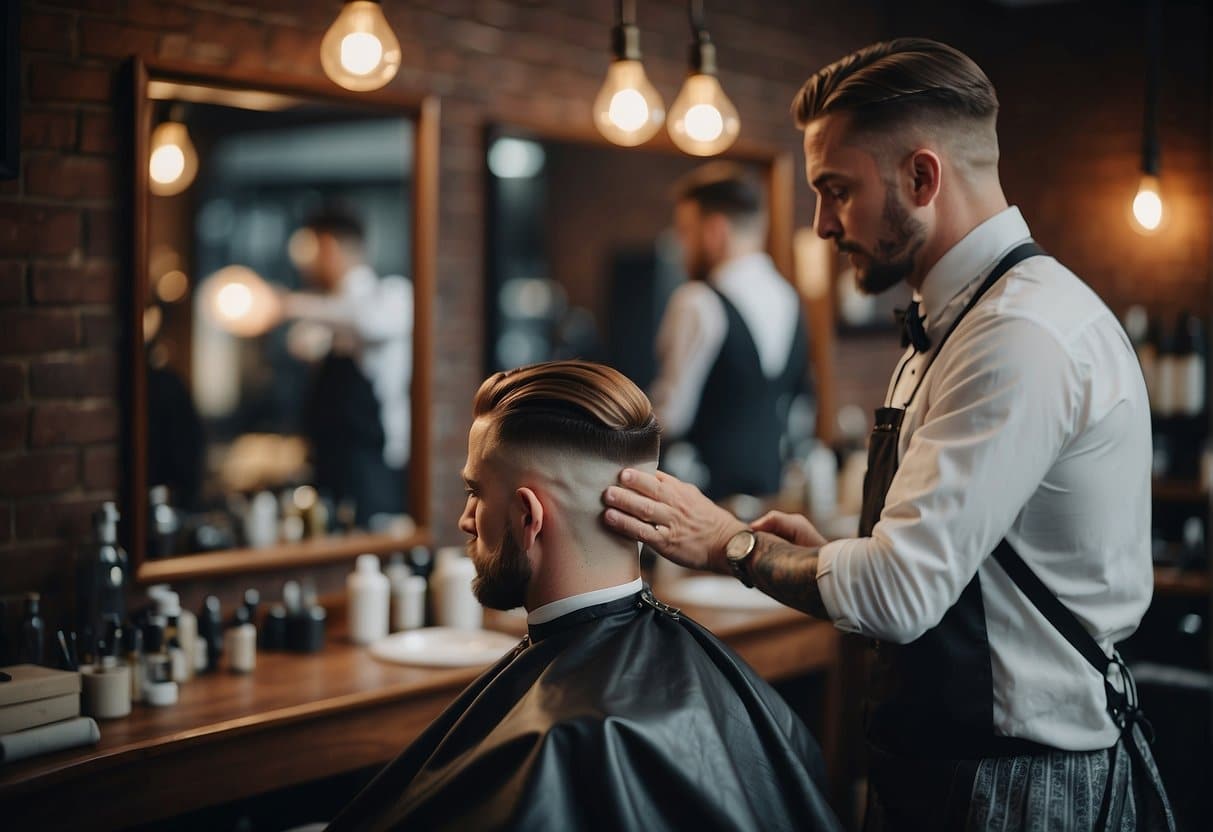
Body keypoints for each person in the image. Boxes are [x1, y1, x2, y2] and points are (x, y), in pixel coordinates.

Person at [602, 38, 1174, 831]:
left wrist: (732, 546)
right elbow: (939, 563)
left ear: (921, 177)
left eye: (835, 190)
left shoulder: (1019, 333)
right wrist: (823, 549)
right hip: (944, 761)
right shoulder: (953, 323)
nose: (820, 224)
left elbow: (900, 595)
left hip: (1017, 788)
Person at [327, 360, 842, 832]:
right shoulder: (720, 676)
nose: (465, 520)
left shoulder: (563, 735)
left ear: (529, 518)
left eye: (475, 493)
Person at [650, 163, 809, 500]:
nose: (680, 246)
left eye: (685, 231)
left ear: (715, 231)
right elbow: (796, 406)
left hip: (703, 502)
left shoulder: (696, 301)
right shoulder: (789, 298)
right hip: (771, 496)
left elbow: (671, 417)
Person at [281, 206, 412, 526]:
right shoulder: (325, 312)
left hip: (372, 459)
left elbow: (369, 322)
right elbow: (301, 343)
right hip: (327, 459)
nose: (305, 264)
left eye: (310, 251)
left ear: (330, 247)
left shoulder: (390, 296)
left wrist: (287, 303)